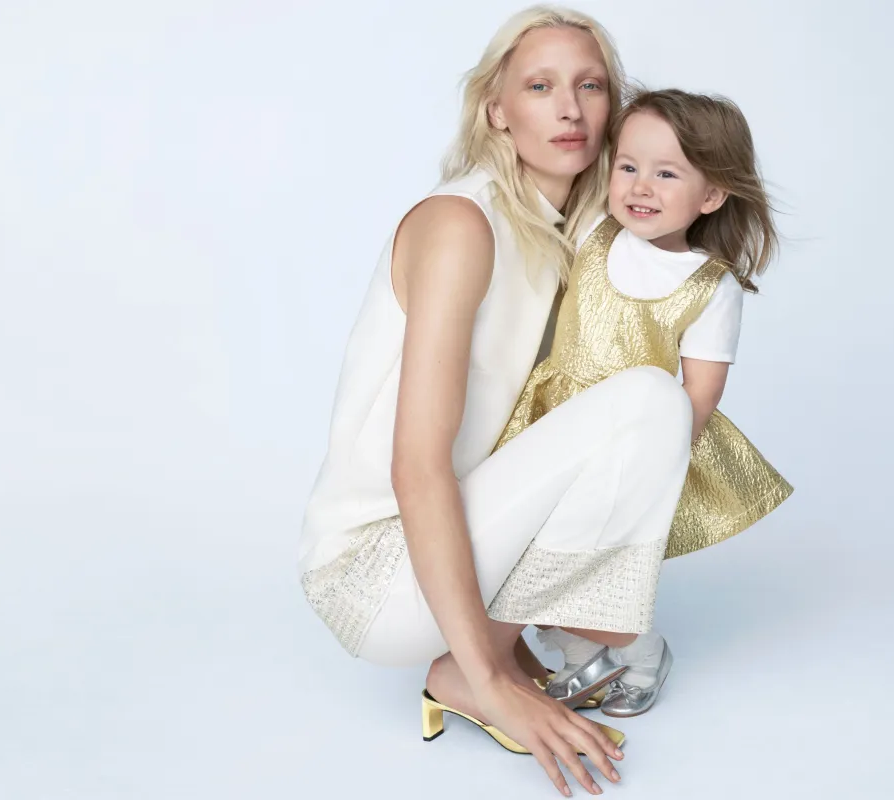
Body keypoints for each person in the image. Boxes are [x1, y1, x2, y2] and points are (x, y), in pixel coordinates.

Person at [297, 7, 693, 796]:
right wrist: (489, 679)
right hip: (375, 577)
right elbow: (417, 465)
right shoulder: (461, 223)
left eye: (590, 87)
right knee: (649, 403)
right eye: (540, 87)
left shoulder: (573, 230)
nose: (569, 109)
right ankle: (473, 669)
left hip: (448, 559)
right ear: (497, 110)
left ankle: (512, 646)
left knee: (646, 399)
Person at [494, 88, 794, 717]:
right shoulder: (595, 231)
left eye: (667, 174)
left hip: (631, 447)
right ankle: (582, 656)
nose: (640, 187)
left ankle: (641, 655)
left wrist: (651, 467)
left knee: (591, 558)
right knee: (530, 548)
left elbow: (700, 392)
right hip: (551, 422)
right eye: (628, 166)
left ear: (711, 195)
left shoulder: (708, 286)